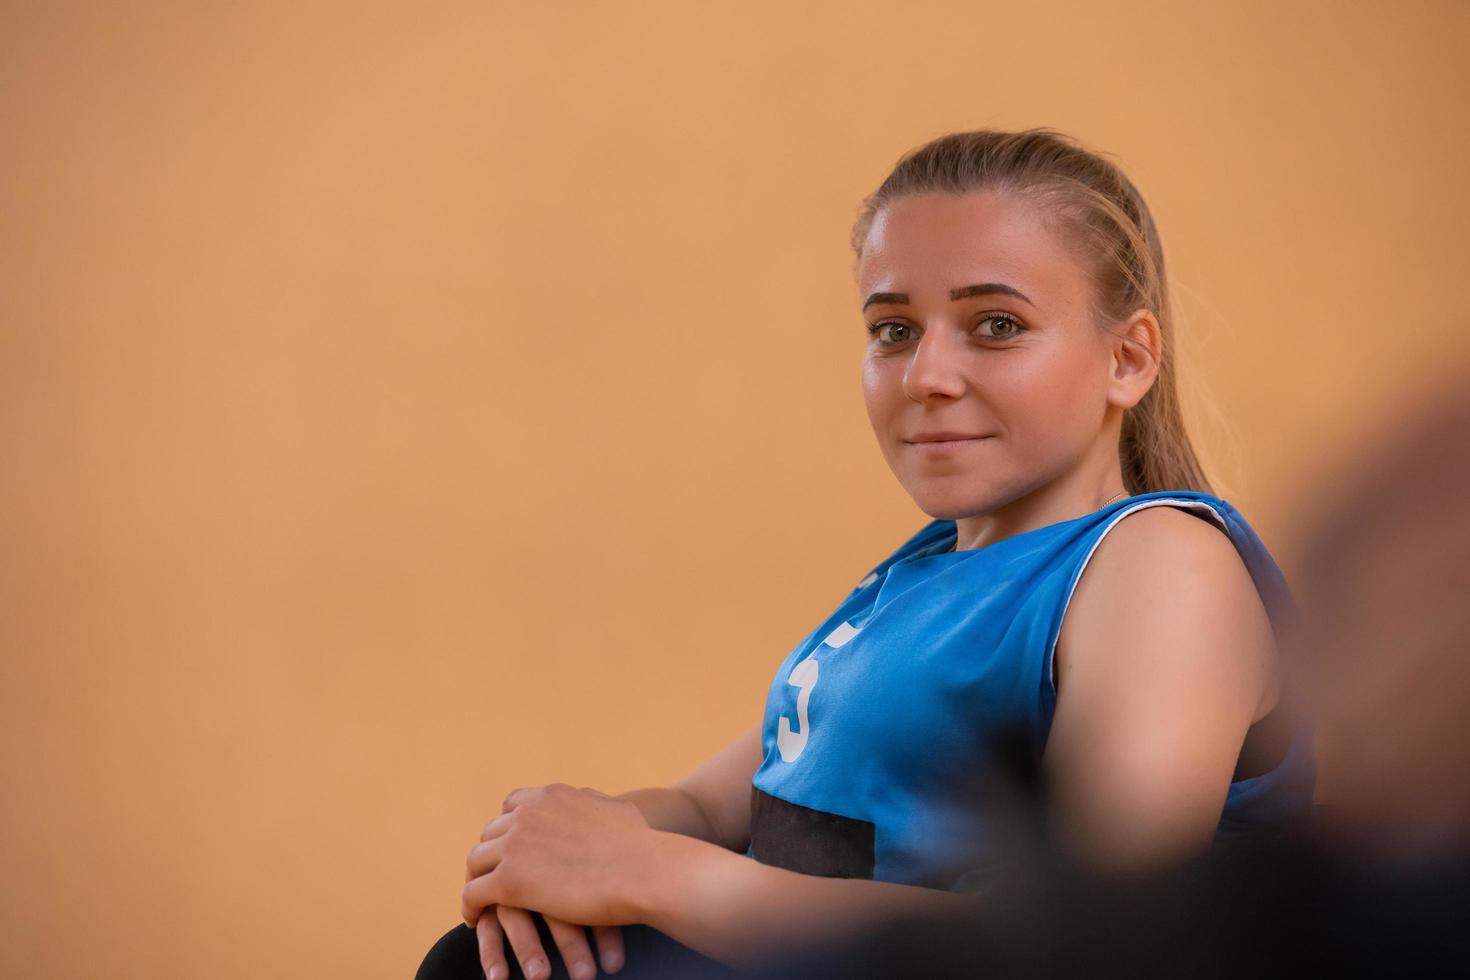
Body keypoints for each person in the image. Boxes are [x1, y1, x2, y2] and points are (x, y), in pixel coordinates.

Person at [415, 128, 1316, 980]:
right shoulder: (920, 574)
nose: (927, 375)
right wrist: (549, 850)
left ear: (1128, 358)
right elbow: (713, 811)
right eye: (893, 329)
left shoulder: (1161, 568)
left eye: (996, 324)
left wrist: (653, 876)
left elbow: (1081, 941)